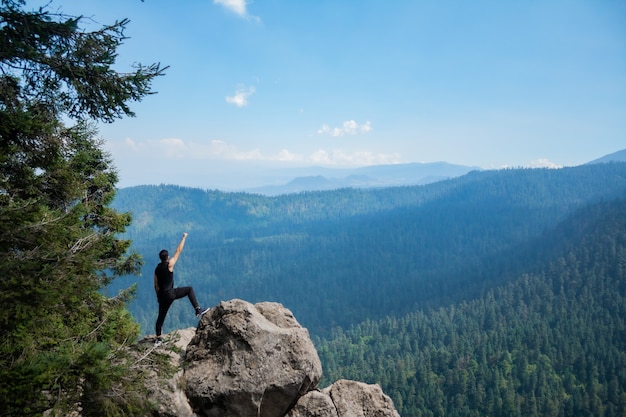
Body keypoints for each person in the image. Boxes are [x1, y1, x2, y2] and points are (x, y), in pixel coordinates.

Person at [154, 232, 209, 346]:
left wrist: (158, 297)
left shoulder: (157, 269)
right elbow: (178, 251)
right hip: (170, 293)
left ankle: (158, 338)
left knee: (160, 317)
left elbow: (156, 285)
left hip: (162, 296)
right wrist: (184, 237)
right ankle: (198, 309)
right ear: (167, 257)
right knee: (189, 289)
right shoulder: (170, 264)